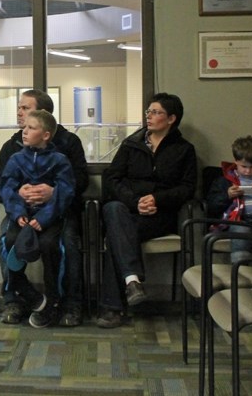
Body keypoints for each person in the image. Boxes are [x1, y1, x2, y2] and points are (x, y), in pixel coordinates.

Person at [98, 92, 197, 328]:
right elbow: (112, 179)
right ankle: (132, 281)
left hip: (160, 215)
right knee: (113, 209)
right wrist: (135, 201)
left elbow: (187, 188)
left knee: (115, 235)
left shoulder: (184, 150)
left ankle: (114, 307)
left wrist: (156, 199)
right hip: (128, 209)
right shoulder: (131, 145)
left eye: (156, 112)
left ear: (171, 118)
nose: (149, 117)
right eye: (148, 112)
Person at [0, 89, 89, 327]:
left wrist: (52, 193)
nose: (19, 113)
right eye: (19, 108)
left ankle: (68, 304)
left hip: (58, 212)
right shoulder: (12, 147)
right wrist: (19, 194)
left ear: (43, 115)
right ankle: (15, 298)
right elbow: (2, 184)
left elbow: (78, 182)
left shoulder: (68, 144)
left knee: (65, 243)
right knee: (7, 238)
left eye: (25, 108)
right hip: (22, 212)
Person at [205, 136, 252, 264]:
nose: (247, 171)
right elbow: (211, 204)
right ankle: (239, 267)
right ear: (235, 161)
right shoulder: (224, 180)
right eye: (243, 166)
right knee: (242, 230)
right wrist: (227, 195)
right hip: (236, 219)